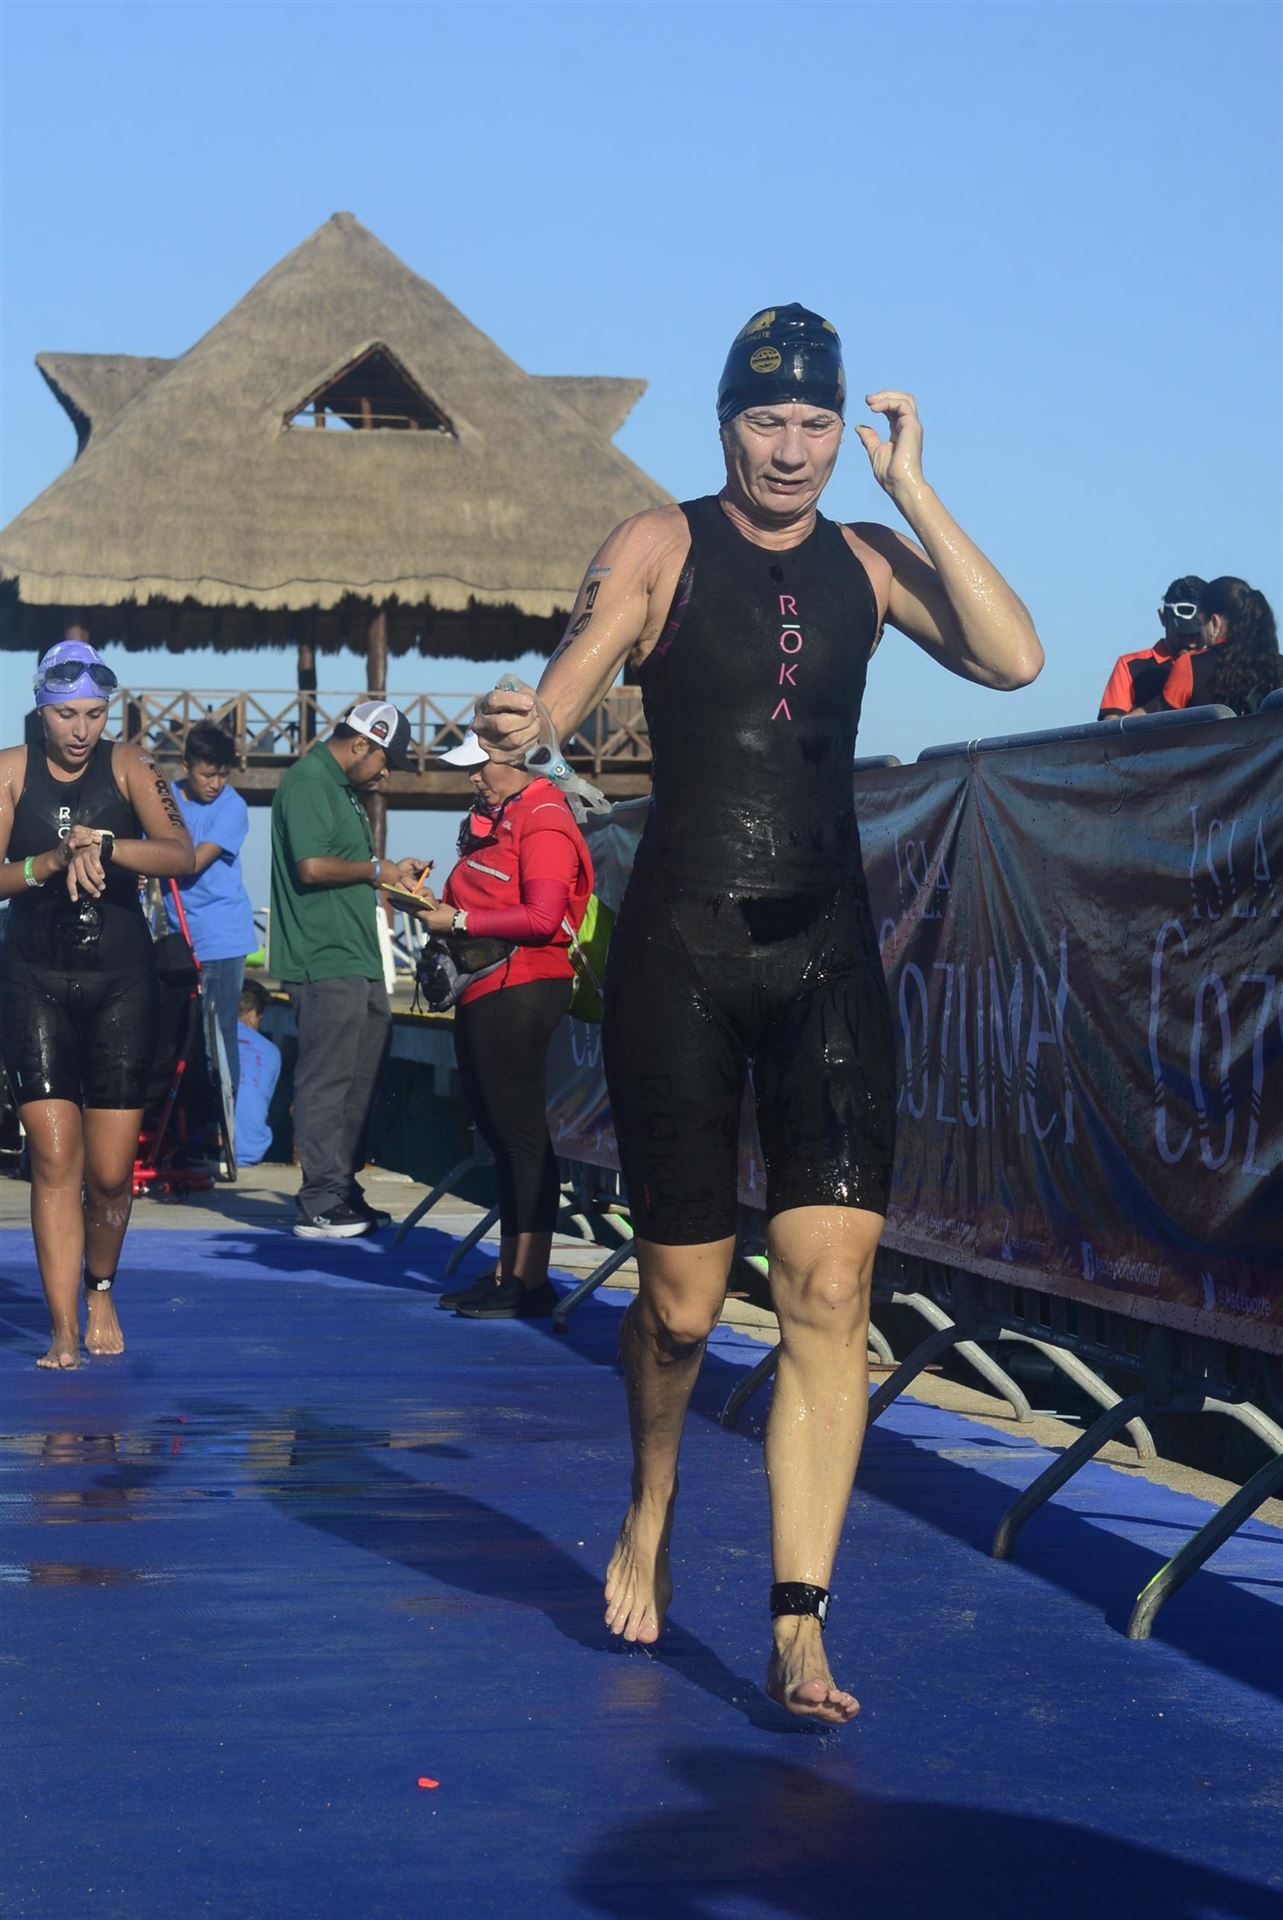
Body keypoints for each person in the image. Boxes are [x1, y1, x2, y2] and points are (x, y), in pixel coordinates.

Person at [476, 304, 1043, 1723]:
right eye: (763, 422)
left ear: (838, 430)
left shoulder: (870, 558)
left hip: (826, 962)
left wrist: (911, 490)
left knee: (830, 1295)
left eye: (813, 425)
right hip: (682, 958)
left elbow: (1012, 659)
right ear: (723, 424)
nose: (789, 451)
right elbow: (574, 672)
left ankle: (798, 1622)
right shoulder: (659, 541)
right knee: (677, 1312)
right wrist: (530, 722)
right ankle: (650, 1498)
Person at [0, 638, 195, 1369]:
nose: (81, 730)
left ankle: (100, 1287)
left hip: (121, 986)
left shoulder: (132, 765)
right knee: (54, 1159)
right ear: (41, 710)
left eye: (94, 714)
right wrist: (50, 860)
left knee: (110, 1175)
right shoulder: (9, 771)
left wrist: (106, 847)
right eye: (67, 715)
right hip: (33, 981)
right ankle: (62, 1330)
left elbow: (180, 853)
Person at [412, 730, 593, 1319]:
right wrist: (424, 903)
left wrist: (459, 921)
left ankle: (530, 1280)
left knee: (520, 1135)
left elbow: (544, 919)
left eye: (479, 766)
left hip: (522, 984)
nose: (472, 777)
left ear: (518, 763)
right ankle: (508, 1272)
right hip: (488, 985)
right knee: (499, 1132)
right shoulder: (503, 815)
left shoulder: (543, 817)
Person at [269, 700, 426, 1239]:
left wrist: (391, 876)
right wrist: (377, 868)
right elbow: (312, 867)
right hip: (322, 956)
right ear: (361, 744)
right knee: (327, 1080)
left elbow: (349, 868)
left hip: (358, 956)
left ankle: (341, 1187)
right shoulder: (310, 782)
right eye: (385, 760)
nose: (387, 773)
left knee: (362, 1079)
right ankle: (318, 1200)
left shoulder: (343, 790)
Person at [166, 720, 256, 1102]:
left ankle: (221, 1122)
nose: (216, 784)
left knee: (216, 1036)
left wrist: (146, 859)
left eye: (222, 775)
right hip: (178, 940)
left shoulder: (232, 807)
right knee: (178, 1039)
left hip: (221, 939)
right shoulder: (165, 799)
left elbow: (191, 862)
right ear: (186, 766)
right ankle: (186, 1122)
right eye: (207, 775)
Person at [1158, 576, 1281, 715]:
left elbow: (1164, 724)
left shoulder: (1188, 666)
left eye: (1199, 623)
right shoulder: (1278, 666)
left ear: (1214, 622)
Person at [1097, 577, 1206, 718]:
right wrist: (1168, 698)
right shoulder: (1130, 665)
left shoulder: (1218, 664)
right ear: (1163, 618)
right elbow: (1110, 723)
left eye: (1197, 634)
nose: (1191, 643)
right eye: (1183, 634)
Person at [234, 979, 281, 1168]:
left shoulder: (208, 1039)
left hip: (208, 1147)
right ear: (253, 1014)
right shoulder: (271, 1051)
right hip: (250, 1150)